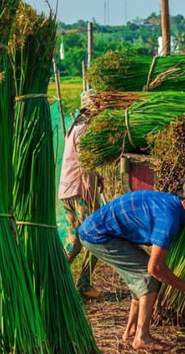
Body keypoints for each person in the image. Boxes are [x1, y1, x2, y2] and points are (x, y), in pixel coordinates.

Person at [78, 178, 185, 351]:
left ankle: (131, 331)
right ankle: (142, 337)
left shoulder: (171, 206)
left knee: (140, 276)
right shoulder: (169, 218)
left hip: (107, 232)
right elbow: (155, 268)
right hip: (98, 235)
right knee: (148, 276)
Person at [59, 88, 104, 298]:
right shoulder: (85, 128)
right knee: (97, 236)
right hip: (80, 191)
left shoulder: (76, 125)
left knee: (74, 239)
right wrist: (91, 194)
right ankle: (84, 285)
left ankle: (55, 277)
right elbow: (85, 164)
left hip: (66, 190)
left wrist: (97, 177)